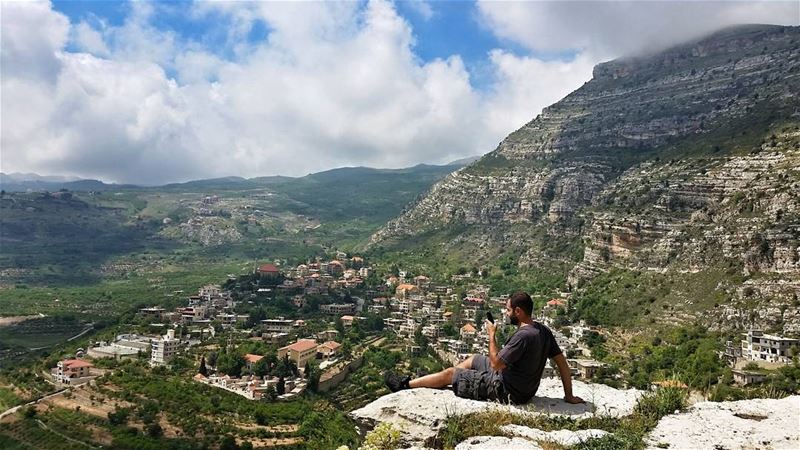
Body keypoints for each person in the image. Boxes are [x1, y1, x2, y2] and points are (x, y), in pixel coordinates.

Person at [384, 291, 584, 405]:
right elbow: (562, 364)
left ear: (518, 311)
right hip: (525, 388)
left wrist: (491, 335)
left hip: (506, 390)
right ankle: (436, 380)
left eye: (508, 310)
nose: (506, 314)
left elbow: (496, 364)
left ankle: (404, 385)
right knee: (473, 360)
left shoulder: (523, 336)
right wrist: (568, 395)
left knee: (451, 373)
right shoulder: (542, 330)